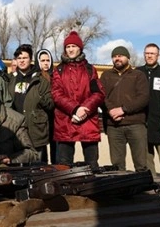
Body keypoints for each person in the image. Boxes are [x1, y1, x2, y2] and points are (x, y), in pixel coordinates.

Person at [51, 31, 105, 167]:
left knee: (92, 164)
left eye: (73, 46)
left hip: (88, 122)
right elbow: (56, 94)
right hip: (65, 121)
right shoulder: (59, 70)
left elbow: (98, 93)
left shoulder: (90, 70)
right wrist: (74, 108)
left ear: (80, 48)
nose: (70, 49)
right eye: (68, 47)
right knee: (64, 165)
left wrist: (84, 109)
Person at [100, 46, 150, 172]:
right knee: (117, 165)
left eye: (120, 55)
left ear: (128, 58)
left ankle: (143, 189)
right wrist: (111, 111)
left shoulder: (138, 75)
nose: (117, 58)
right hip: (113, 125)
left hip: (136, 124)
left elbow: (143, 98)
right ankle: (121, 189)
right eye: (115, 56)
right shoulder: (106, 76)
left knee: (141, 164)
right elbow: (101, 96)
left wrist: (123, 109)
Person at [6, 44, 55, 162]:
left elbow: (50, 104)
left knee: (38, 167)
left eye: (25, 58)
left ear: (31, 59)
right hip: (15, 131)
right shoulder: (9, 79)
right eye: (19, 58)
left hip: (36, 131)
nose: (22, 61)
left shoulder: (41, 80)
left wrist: (39, 97)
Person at [136, 43, 160, 178]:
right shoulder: (137, 72)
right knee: (146, 157)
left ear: (158, 55)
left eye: (152, 53)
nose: (149, 56)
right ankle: (152, 181)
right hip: (142, 120)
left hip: (159, 121)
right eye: (147, 53)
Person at [35, 48, 57, 163]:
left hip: (55, 118)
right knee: (41, 151)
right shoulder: (35, 78)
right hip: (40, 118)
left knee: (56, 150)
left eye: (48, 60)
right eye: (42, 60)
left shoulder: (56, 77)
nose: (45, 63)